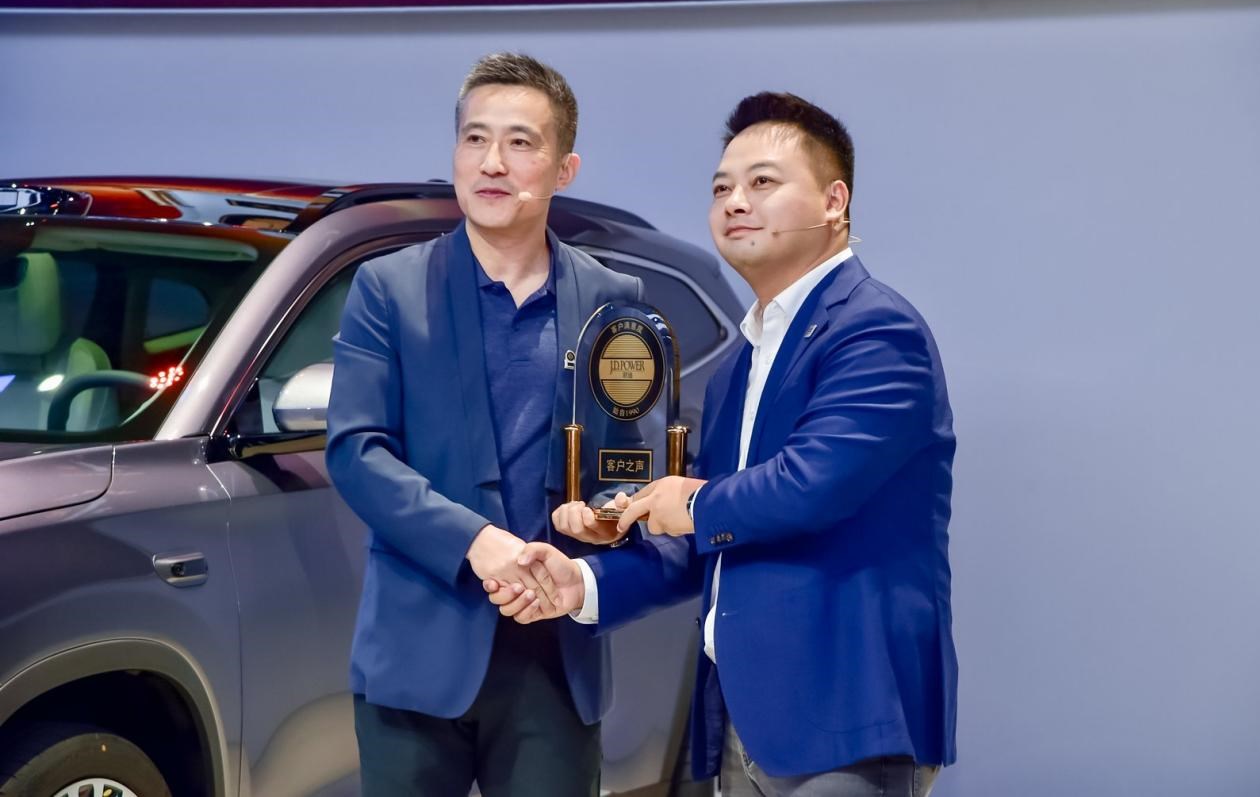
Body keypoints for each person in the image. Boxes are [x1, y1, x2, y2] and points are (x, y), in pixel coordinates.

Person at [489, 92, 957, 797]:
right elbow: (709, 535)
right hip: (744, 721)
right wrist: (583, 583)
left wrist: (688, 501)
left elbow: (810, 486)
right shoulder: (743, 360)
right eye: (720, 188)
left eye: (762, 182)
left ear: (834, 202)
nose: (735, 201)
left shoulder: (876, 330)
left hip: (845, 719)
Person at [325, 52, 642, 797]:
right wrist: (477, 542)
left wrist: (605, 517)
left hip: (554, 657)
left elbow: (625, 464)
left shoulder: (614, 299)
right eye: (475, 138)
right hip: (417, 652)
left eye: (520, 142)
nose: (491, 162)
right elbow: (356, 451)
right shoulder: (388, 288)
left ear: (564, 168)